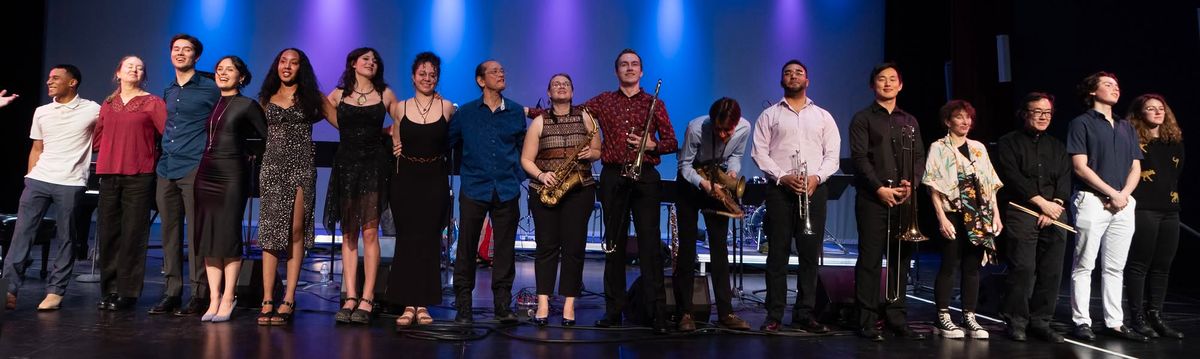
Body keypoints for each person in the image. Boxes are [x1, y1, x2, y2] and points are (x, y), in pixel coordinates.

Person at [587, 49, 678, 333]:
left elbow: (672, 141)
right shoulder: (603, 101)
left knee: (650, 247)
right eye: (624, 65)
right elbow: (569, 111)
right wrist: (529, 112)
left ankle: (657, 314)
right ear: (617, 72)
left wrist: (652, 145)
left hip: (645, 176)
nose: (629, 68)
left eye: (634, 64)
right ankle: (614, 311)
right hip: (614, 175)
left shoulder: (655, 103)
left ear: (641, 72)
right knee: (613, 245)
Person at [751, 60, 841, 333]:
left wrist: (816, 178)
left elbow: (832, 156)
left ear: (807, 80)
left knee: (809, 255)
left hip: (814, 189)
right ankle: (774, 314)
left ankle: (805, 313)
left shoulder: (823, 116)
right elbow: (759, 153)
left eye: (798, 72)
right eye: (787, 73)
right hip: (780, 190)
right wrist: (782, 177)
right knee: (777, 254)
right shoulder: (769, 116)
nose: (793, 76)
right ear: (782, 81)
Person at [2, 65, 99, 311]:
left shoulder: (92, 109)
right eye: (48, 78)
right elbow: (37, 147)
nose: (49, 81)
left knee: (67, 237)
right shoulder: (42, 111)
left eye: (56, 78)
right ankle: (9, 289)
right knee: (22, 233)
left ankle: (56, 291)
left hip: (71, 181)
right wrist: (30, 176)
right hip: (39, 179)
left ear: (72, 82)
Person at [256, 48, 336, 325]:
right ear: (276, 65)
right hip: (272, 168)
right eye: (283, 61)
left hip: (301, 167)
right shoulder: (266, 98)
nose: (287, 66)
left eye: (294, 62)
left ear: (301, 67)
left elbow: (342, 121)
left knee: (295, 230)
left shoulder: (311, 97)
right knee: (269, 232)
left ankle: (289, 296)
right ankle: (267, 297)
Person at [850, 62, 928, 341]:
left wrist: (913, 183)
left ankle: (896, 316)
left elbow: (918, 157)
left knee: (900, 260)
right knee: (870, 260)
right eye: (881, 79)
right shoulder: (862, 118)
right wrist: (879, 188)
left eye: (892, 79)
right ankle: (867, 320)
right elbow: (859, 159)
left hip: (904, 199)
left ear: (901, 85)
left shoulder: (910, 120)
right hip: (873, 199)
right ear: (873, 85)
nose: (887, 83)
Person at [1066, 72, 1147, 342]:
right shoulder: (1081, 123)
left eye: (1117, 85)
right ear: (1092, 92)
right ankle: (1082, 320)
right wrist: (1111, 192)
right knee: (1084, 263)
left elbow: (1136, 166)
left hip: (1123, 203)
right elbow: (1080, 166)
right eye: (1108, 85)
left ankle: (1114, 321)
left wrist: (1123, 195)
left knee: (1115, 266)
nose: (1115, 88)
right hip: (1092, 200)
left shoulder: (1126, 127)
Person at [448, 59, 526, 325]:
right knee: (466, 248)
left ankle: (502, 305)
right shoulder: (467, 112)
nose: (501, 73)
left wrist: (517, 175)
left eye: (502, 70)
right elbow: (449, 142)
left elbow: (522, 148)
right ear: (481, 81)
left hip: (506, 188)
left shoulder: (515, 112)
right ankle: (464, 305)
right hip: (474, 187)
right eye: (494, 71)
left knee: (504, 250)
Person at [519, 73, 601, 327]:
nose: (561, 87)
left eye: (565, 84)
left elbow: (598, 151)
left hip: (580, 190)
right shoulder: (539, 121)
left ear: (573, 91)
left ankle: (569, 305)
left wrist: (592, 152)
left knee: (574, 249)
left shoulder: (586, 117)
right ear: (549, 92)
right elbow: (526, 159)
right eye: (556, 84)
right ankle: (543, 302)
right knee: (546, 248)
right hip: (547, 190)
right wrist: (542, 174)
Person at [325, 47, 396, 325]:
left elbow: (403, 118)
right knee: (348, 233)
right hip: (346, 165)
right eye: (366, 58)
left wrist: (393, 135)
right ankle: (351, 296)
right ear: (353, 63)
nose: (371, 62)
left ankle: (368, 298)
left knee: (370, 232)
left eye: (375, 60)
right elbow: (322, 113)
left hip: (374, 166)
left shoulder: (385, 94)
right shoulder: (338, 94)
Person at [193, 55, 267, 322]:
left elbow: (265, 138)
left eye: (230, 70)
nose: (223, 73)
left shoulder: (247, 105)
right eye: (219, 69)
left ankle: (229, 297)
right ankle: (213, 298)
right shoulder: (214, 103)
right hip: (206, 173)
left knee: (227, 235)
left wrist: (246, 154)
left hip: (231, 175)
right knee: (208, 236)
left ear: (242, 77)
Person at [386, 51, 456, 327]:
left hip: (434, 178)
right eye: (422, 73)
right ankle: (407, 303)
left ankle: (423, 303)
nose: (427, 78)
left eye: (432, 74)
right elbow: (394, 136)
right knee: (407, 241)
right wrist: (394, 144)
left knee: (429, 241)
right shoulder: (400, 107)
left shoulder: (447, 107)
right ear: (413, 77)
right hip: (405, 180)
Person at [923, 100, 1003, 340]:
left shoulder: (978, 147)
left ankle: (969, 315)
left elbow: (990, 184)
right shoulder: (938, 147)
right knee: (949, 263)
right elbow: (933, 186)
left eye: (968, 117)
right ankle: (943, 315)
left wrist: (995, 215)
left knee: (972, 266)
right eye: (959, 117)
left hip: (978, 214)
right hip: (952, 212)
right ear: (948, 121)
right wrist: (941, 218)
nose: (965, 121)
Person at [152, 34, 220, 316]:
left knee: (196, 233)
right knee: (168, 232)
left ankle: (199, 293)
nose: (180, 53)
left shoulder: (210, 88)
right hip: (166, 167)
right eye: (176, 49)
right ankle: (171, 292)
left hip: (194, 166)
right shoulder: (168, 90)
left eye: (187, 50)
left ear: (196, 56)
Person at [995, 92, 1070, 343]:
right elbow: (1012, 176)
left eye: (1047, 112)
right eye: (1037, 112)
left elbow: (1064, 178)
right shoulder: (1008, 142)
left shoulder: (1058, 146)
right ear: (1025, 114)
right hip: (1022, 210)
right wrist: (1041, 204)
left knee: (1051, 271)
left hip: (1055, 213)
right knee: (1023, 268)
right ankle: (1016, 321)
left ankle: (1041, 321)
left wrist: (1055, 206)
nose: (1043, 117)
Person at [94, 56, 167, 311]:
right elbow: (98, 138)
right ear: (118, 73)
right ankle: (109, 290)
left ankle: (127, 292)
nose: (135, 70)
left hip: (139, 174)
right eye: (129, 66)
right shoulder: (109, 102)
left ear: (143, 75)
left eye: (140, 67)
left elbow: (166, 137)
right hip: (109, 174)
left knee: (133, 235)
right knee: (109, 234)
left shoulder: (152, 102)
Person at [675, 97, 753, 331]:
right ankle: (685, 313)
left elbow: (736, 156)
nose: (722, 135)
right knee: (687, 249)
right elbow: (685, 165)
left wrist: (731, 173)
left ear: (736, 123)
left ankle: (726, 313)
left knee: (719, 249)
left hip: (717, 180)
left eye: (727, 131)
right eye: (718, 130)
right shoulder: (696, 128)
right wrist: (705, 185)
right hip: (692, 183)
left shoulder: (744, 128)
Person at [1124, 93, 1185, 339]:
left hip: (1170, 208)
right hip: (1144, 208)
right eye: (1151, 108)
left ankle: (1156, 314)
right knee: (1140, 264)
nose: (1158, 112)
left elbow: (1177, 172)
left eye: (1161, 108)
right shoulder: (1135, 141)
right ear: (1140, 114)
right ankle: (1137, 317)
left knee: (1163, 265)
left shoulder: (1174, 142)